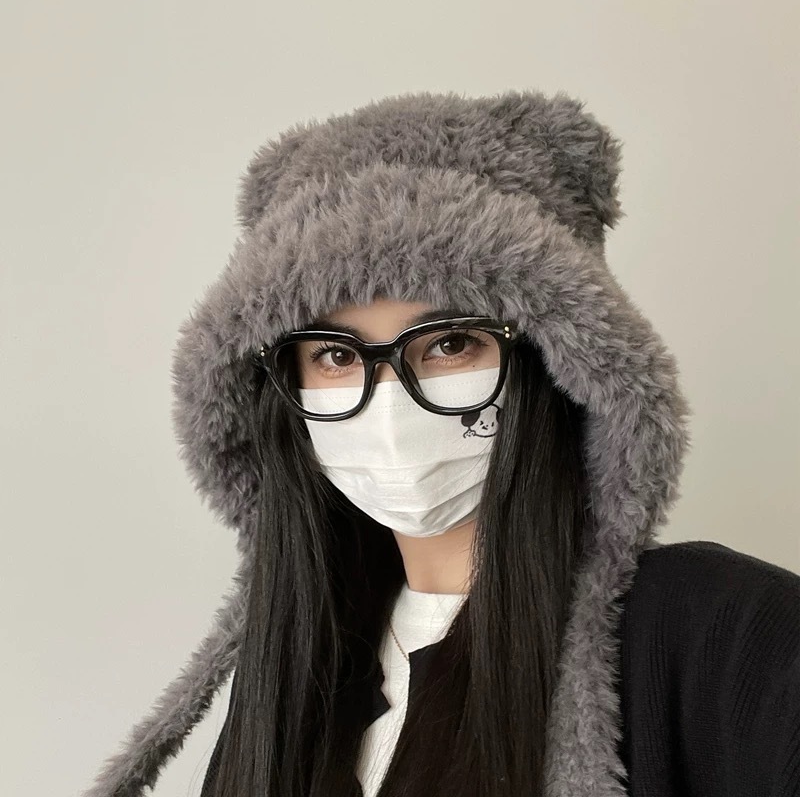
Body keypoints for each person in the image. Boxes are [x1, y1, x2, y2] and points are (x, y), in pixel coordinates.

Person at [83, 90, 800, 797]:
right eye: (336, 355)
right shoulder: (298, 669)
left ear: (556, 365)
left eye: (450, 343)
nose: (389, 403)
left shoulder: (731, 632)